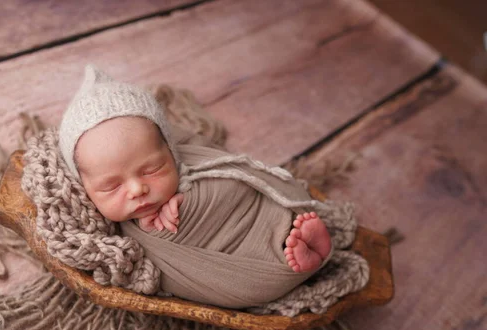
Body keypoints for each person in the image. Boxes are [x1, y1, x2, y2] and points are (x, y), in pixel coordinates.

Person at [57, 65, 333, 308]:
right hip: (223, 271)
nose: (137, 189)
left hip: (237, 212)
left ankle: (288, 234)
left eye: (151, 169)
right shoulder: (106, 239)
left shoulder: (187, 157)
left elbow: (232, 171)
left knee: (227, 188)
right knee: (235, 280)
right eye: (111, 186)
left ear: (171, 151)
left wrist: (189, 197)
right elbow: (145, 268)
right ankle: (288, 260)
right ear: (85, 189)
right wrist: (152, 230)